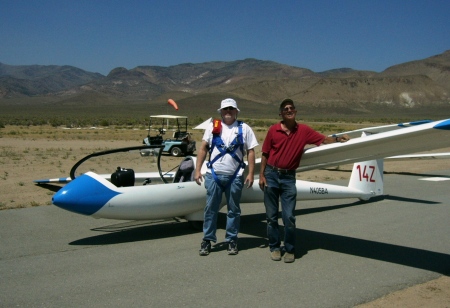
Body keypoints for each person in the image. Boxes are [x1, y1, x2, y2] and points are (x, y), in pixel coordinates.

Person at [258, 98, 350, 263]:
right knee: (271, 217)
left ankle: (290, 249)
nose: (289, 110)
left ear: (295, 111)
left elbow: (322, 139)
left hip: (288, 177)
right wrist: (262, 175)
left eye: (291, 108)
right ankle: (274, 247)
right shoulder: (273, 130)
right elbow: (265, 153)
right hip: (271, 174)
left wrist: (338, 139)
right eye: (285, 108)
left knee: (289, 217)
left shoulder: (303, 131)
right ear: (281, 113)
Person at [195, 98, 258, 256]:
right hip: (214, 175)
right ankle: (207, 240)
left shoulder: (244, 128)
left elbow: (251, 151)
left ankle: (232, 240)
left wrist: (250, 173)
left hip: (235, 176)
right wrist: (197, 170)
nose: (228, 112)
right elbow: (203, 148)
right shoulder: (212, 127)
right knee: (210, 209)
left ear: (236, 111)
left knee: (233, 210)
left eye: (231, 109)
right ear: (220, 112)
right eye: (225, 109)